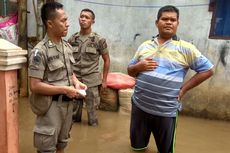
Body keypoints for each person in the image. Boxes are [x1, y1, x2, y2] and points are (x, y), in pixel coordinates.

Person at [127, 5, 214, 153]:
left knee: (165, 150)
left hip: (166, 112)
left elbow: (208, 70)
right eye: (165, 19)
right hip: (139, 107)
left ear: (177, 24)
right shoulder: (145, 46)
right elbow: (130, 71)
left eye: (173, 20)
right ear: (157, 22)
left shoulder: (186, 48)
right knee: (137, 148)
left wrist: (183, 89)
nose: (169, 22)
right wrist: (138, 67)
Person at [28, 2, 87, 153]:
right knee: (47, 148)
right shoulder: (39, 52)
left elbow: (68, 71)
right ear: (50, 23)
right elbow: (34, 86)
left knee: (62, 145)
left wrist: (76, 82)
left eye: (67, 20)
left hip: (67, 107)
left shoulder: (66, 46)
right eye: (63, 21)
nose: (67, 24)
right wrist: (64, 89)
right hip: (50, 108)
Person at [68, 8, 110, 126]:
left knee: (93, 117)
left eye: (87, 17)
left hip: (91, 81)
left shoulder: (98, 40)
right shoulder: (73, 39)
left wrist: (104, 80)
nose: (83, 19)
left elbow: (106, 60)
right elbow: (68, 60)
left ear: (93, 21)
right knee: (74, 117)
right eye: (82, 16)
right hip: (76, 81)